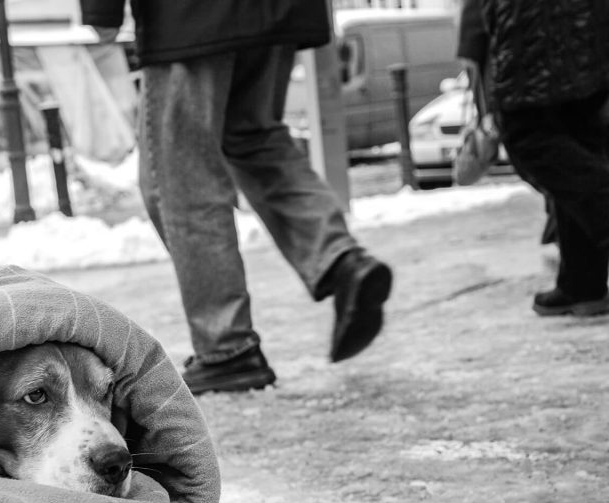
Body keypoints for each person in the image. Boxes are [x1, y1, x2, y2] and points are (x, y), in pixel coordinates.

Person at [80, 0, 393, 395]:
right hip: (278, 10)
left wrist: (101, 13)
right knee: (253, 137)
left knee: (180, 176)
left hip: (188, 17)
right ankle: (339, 259)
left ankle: (227, 346)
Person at [474, 0, 609, 317]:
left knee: (526, 134)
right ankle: (582, 281)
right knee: (572, 128)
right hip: (592, 17)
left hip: (543, 17)